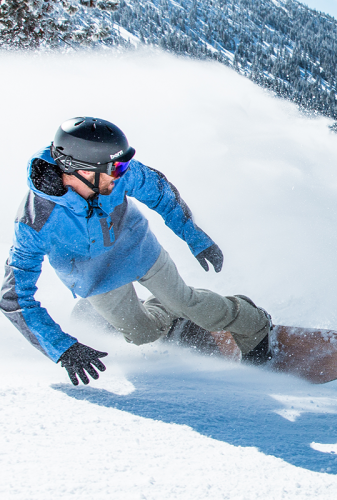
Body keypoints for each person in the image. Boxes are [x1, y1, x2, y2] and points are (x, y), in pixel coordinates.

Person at [1, 117, 273, 386]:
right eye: (116, 168)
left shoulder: (114, 174)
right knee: (142, 333)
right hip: (94, 277)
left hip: (138, 249)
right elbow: (14, 297)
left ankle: (255, 323)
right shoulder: (35, 223)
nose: (123, 172)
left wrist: (195, 238)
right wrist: (62, 348)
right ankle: (159, 315)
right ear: (82, 170)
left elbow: (159, 190)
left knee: (186, 302)